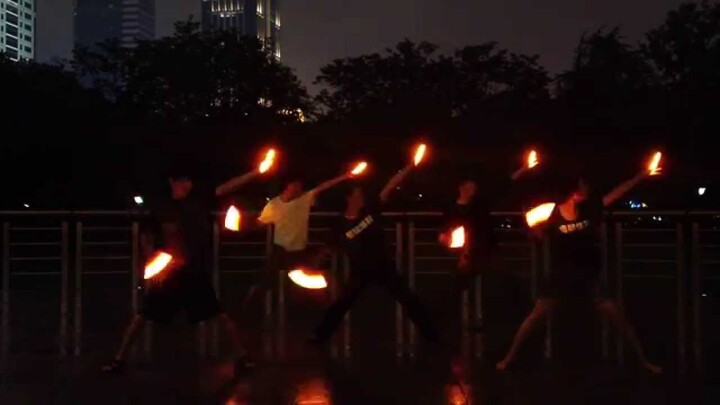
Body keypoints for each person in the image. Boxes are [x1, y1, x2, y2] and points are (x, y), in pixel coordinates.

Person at [496, 172, 662, 373]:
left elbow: (615, 194)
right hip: (561, 274)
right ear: (573, 191)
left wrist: (641, 177)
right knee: (535, 316)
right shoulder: (552, 213)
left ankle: (643, 361)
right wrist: (529, 224)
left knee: (617, 316)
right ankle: (508, 358)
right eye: (583, 186)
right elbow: (536, 234)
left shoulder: (588, 209)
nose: (587, 189)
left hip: (588, 275)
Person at [102, 167, 259, 376]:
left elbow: (226, 188)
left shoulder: (198, 202)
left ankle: (244, 357)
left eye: (189, 181)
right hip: (168, 273)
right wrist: (150, 261)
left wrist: (256, 173)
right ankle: (119, 359)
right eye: (182, 180)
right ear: (172, 182)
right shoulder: (162, 208)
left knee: (219, 314)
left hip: (193, 271)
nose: (187, 185)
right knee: (142, 315)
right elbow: (147, 235)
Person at [307, 165, 440, 345]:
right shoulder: (339, 225)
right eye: (358, 194)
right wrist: (315, 262)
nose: (361, 197)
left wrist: (408, 169)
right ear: (349, 199)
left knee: (408, 299)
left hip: (383, 265)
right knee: (342, 303)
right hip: (360, 269)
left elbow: (390, 187)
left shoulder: (370, 210)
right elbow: (330, 245)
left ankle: (432, 336)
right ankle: (320, 336)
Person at [241, 173, 351, 312]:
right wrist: (244, 224)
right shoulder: (274, 205)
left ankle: (333, 308)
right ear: (287, 187)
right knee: (263, 278)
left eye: (300, 187)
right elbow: (260, 222)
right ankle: (249, 306)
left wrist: (344, 177)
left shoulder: (305, 199)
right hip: (281, 250)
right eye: (295, 186)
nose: (299, 190)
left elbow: (323, 187)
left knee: (320, 278)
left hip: (299, 251)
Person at [440, 177, 498, 332]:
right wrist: (445, 239)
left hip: (476, 252)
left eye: (474, 186)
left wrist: (466, 254)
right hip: (455, 253)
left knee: (476, 281)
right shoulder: (451, 207)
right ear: (461, 187)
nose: (473, 189)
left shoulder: (478, 207)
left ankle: (475, 317)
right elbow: (444, 230)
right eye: (470, 186)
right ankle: (456, 319)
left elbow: (479, 231)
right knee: (455, 284)